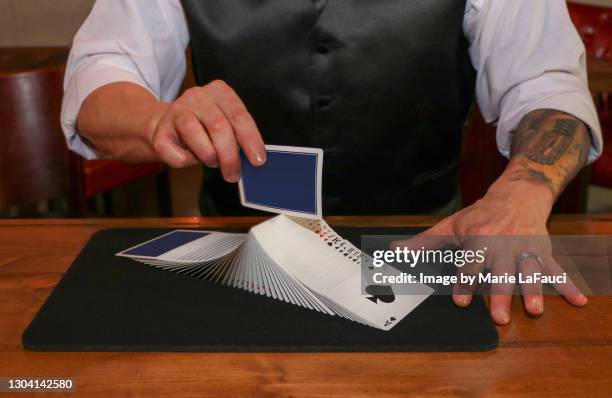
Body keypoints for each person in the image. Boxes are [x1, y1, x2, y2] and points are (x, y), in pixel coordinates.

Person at [61, 0, 602, 325]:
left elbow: (544, 84)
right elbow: (103, 73)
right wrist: (157, 120)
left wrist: (526, 189)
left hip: (426, 247)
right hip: (239, 251)